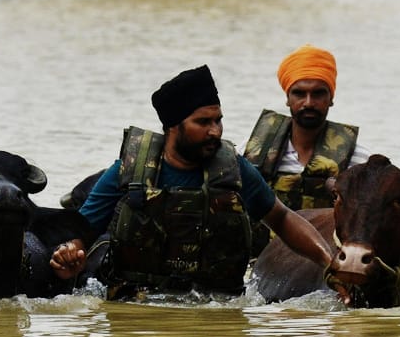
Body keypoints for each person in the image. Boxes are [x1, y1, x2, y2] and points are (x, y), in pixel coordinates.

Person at [49, 64, 336, 299]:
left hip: (216, 302)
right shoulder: (129, 171)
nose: (215, 131)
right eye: (203, 122)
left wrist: (329, 261)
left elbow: (283, 219)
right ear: (173, 126)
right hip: (137, 303)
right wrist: (68, 256)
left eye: (218, 120)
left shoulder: (234, 169)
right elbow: (80, 231)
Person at [241, 44, 371, 210]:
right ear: (287, 98)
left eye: (318, 93)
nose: (309, 103)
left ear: (331, 98)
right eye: (299, 94)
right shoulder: (250, 153)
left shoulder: (360, 161)